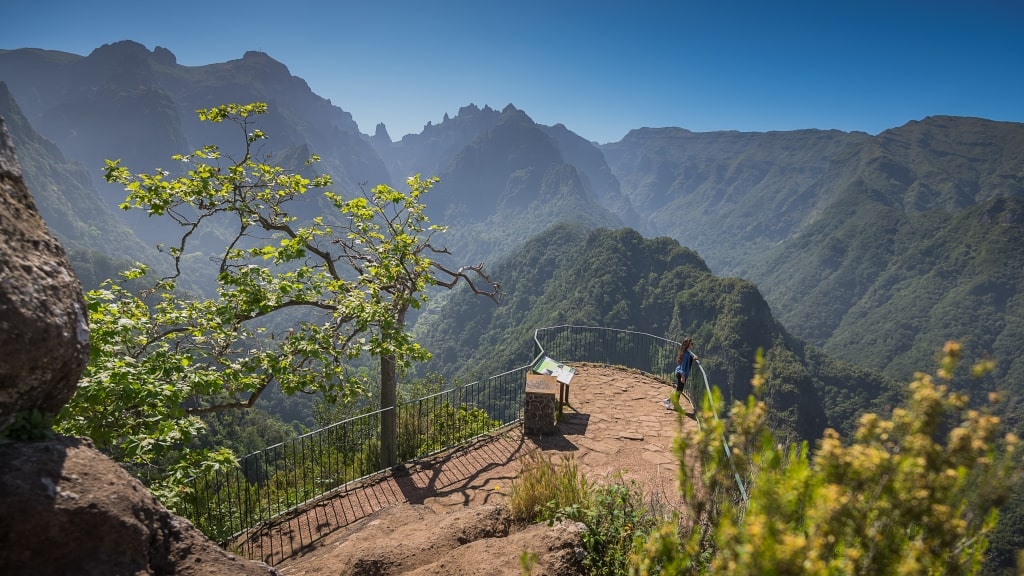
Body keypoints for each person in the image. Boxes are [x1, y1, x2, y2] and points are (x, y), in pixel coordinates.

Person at [664, 337, 698, 411]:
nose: (693, 345)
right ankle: (672, 403)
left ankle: (670, 402)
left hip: (680, 373)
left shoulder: (686, 353)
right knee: (679, 390)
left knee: (678, 389)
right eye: (691, 343)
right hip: (681, 374)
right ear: (688, 345)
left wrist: (693, 358)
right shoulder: (686, 354)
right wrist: (683, 376)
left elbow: (689, 359)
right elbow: (683, 365)